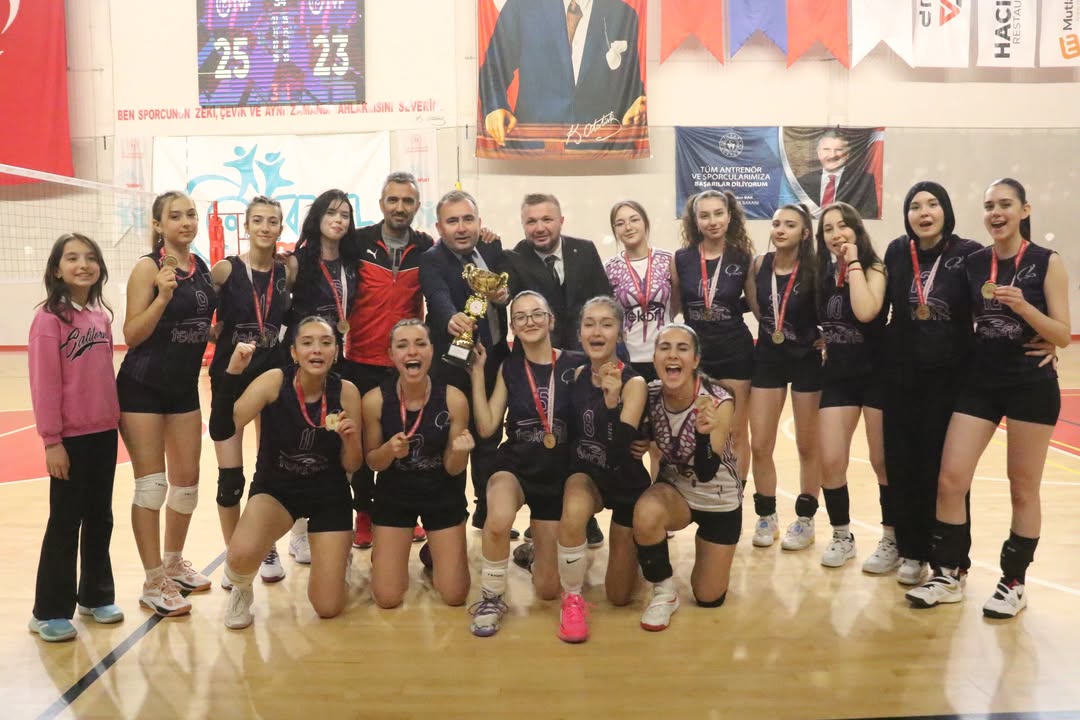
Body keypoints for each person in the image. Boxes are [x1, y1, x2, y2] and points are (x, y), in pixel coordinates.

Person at [906, 178, 1070, 618]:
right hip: (981, 381)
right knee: (950, 479)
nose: (996, 213)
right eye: (989, 206)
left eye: (1005, 204)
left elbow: (1062, 334)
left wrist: (1026, 309)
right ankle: (947, 574)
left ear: (1024, 210)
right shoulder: (975, 262)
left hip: (1030, 384)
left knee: (1022, 489)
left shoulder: (1046, 261)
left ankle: (1014, 583)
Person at [209, 317, 363, 629]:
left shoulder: (347, 392)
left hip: (328, 494)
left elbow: (352, 465)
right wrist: (233, 372)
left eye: (326, 342)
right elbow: (221, 429)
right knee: (240, 555)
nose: (316, 350)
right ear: (293, 352)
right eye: (307, 342)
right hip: (277, 490)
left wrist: (349, 440)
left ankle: (338, 558)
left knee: (328, 607)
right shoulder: (274, 381)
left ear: (336, 351)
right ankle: (241, 589)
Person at [117, 191, 217, 617]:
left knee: (188, 483)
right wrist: (160, 297)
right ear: (158, 225)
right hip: (142, 389)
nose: (185, 222)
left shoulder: (203, 269)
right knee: (152, 485)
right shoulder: (147, 268)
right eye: (175, 216)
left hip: (183, 389)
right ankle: (153, 579)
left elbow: (196, 326)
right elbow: (132, 334)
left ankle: (173, 563)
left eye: (190, 214)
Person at [881, 182, 982, 586]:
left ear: (946, 210)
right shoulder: (896, 251)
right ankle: (912, 551)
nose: (924, 212)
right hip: (902, 376)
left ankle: (951, 557)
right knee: (903, 465)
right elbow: (879, 305)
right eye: (915, 206)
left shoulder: (969, 253)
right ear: (906, 215)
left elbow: (993, 307)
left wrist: (1040, 339)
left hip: (951, 379)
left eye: (933, 204)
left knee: (945, 472)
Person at [467, 291, 583, 637]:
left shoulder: (576, 364)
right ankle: (491, 598)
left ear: (551, 320)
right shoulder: (510, 367)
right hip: (515, 467)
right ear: (513, 328)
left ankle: (532, 553)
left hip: (557, 476)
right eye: (520, 317)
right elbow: (487, 426)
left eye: (536, 314)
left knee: (547, 590)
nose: (529, 321)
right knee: (499, 518)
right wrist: (477, 375)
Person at [28, 233, 123, 642]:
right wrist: (52, 441)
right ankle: (48, 610)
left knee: (100, 517)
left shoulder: (100, 317)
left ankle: (95, 595)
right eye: (72, 258)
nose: (82, 265)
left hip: (103, 434)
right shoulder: (48, 320)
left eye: (90, 258)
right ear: (56, 269)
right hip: (69, 439)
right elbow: (44, 385)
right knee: (66, 521)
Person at [509, 192, 611, 546]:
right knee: (545, 438)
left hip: (582, 361)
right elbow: (506, 300)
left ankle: (585, 516)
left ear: (561, 221)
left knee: (584, 437)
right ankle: (542, 512)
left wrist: (605, 356)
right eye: (531, 221)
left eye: (546, 219)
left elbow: (604, 301)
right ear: (523, 225)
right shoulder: (513, 258)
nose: (539, 227)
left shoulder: (585, 250)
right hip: (539, 365)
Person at [342, 172, 433, 550]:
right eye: (393, 200)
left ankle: (403, 511)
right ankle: (364, 512)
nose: (400, 207)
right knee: (366, 443)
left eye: (407, 201)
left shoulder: (426, 247)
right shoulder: (357, 242)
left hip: (405, 362)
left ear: (417, 206)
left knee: (405, 438)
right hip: (360, 358)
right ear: (381, 204)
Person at [633, 323, 742, 632]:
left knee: (708, 597)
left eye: (682, 349)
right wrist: (637, 439)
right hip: (676, 493)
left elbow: (707, 472)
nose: (672, 355)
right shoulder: (649, 393)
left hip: (718, 498)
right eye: (664, 348)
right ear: (654, 358)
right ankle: (664, 592)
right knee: (646, 512)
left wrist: (703, 435)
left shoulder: (718, 400)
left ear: (695, 360)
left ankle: (707, 549)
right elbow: (633, 434)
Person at [419, 190, 515, 538]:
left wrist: (504, 295)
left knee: (489, 438)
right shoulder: (431, 259)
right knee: (454, 439)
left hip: (493, 359)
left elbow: (507, 283)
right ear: (439, 227)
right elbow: (437, 296)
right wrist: (450, 318)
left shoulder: (492, 247)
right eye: (452, 221)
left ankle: (487, 514)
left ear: (479, 222)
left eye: (468, 219)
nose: (461, 227)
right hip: (451, 364)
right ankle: (451, 517)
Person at [209, 196, 294, 587]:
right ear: (246, 226)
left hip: (271, 378)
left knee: (270, 472)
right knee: (230, 479)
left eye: (272, 221)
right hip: (231, 377)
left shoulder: (286, 271)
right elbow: (197, 309)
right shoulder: (225, 269)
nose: (265, 227)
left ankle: (266, 546)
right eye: (257, 220)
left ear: (280, 228)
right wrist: (211, 333)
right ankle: (235, 556)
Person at [555, 296, 649, 643]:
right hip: (589, 475)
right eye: (589, 324)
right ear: (579, 332)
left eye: (606, 324)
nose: (597, 332)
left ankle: (640, 551)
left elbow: (622, 450)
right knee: (573, 508)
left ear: (620, 334)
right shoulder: (579, 373)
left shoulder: (634, 384)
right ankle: (571, 597)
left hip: (624, 479)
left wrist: (612, 404)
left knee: (619, 596)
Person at [361, 319, 473, 608]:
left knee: (455, 595)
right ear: (391, 354)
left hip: (441, 493)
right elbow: (373, 462)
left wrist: (460, 453)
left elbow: (453, 468)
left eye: (420, 344)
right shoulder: (374, 400)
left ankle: (435, 552)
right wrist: (388, 450)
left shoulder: (454, 399)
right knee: (387, 598)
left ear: (432, 350)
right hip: (394, 494)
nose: (412, 352)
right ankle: (387, 551)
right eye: (402, 345)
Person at [807, 202, 892, 569]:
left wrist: (853, 261)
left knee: (881, 462)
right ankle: (842, 535)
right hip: (839, 376)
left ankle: (892, 539)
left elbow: (866, 311)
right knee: (830, 461)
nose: (836, 233)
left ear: (857, 229)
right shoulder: (822, 275)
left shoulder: (874, 268)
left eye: (843, 226)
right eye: (828, 229)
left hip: (877, 376)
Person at [284, 190, 359, 565]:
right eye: (331, 213)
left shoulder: (351, 262)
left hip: (338, 360)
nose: (339, 220)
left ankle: (327, 526)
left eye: (345, 214)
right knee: (303, 444)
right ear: (317, 217)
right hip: (304, 363)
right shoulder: (298, 262)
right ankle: (297, 532)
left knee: (334, 443)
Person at [746, 205, 824, 550]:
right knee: (760, 444)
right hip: (768, 357)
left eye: (790, 225)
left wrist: (826, 335)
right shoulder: (759, 265)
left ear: (804, 233)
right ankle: (766, 515)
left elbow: (831, 306)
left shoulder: (816, 268)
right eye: (776, 223)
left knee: (807, 445)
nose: (780, 229)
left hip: (806, 359)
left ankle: (805, 519)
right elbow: (757, 306)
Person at [479, 0, 647, 146]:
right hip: (533, 151)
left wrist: (633, 107)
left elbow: (629, 85)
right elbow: (493, 68)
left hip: (599, 153)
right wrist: (495, 107)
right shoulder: (522, 6)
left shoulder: (624, 15)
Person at [673, 190, 755, 484]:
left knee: (735, 430)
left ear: (729, 216)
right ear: (695, 221)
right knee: (697, 426)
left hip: (735, 352)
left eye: (718, 213)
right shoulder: (681, 259)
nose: (712, 221)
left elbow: (759, 307)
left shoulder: (742, 257)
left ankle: (736, 494)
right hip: (697, 357)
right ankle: (699, 493)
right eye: (705, 215)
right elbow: (671, 308)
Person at [604, 200, 679, 383]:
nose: (628, 227)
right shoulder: (609, 268)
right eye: (620, 223)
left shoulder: (669, 260)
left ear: (645, 222)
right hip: (628, 358)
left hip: (665, 355)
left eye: (634, 220)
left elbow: (678, 303)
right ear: (615, 230)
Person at [796, 129, 879, 219]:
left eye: (838, 150)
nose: (832, 155)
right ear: (818, 153)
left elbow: (868, 216)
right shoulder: (803, 182)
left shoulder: (863, 181)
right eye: (826, 149)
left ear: (847, 154)